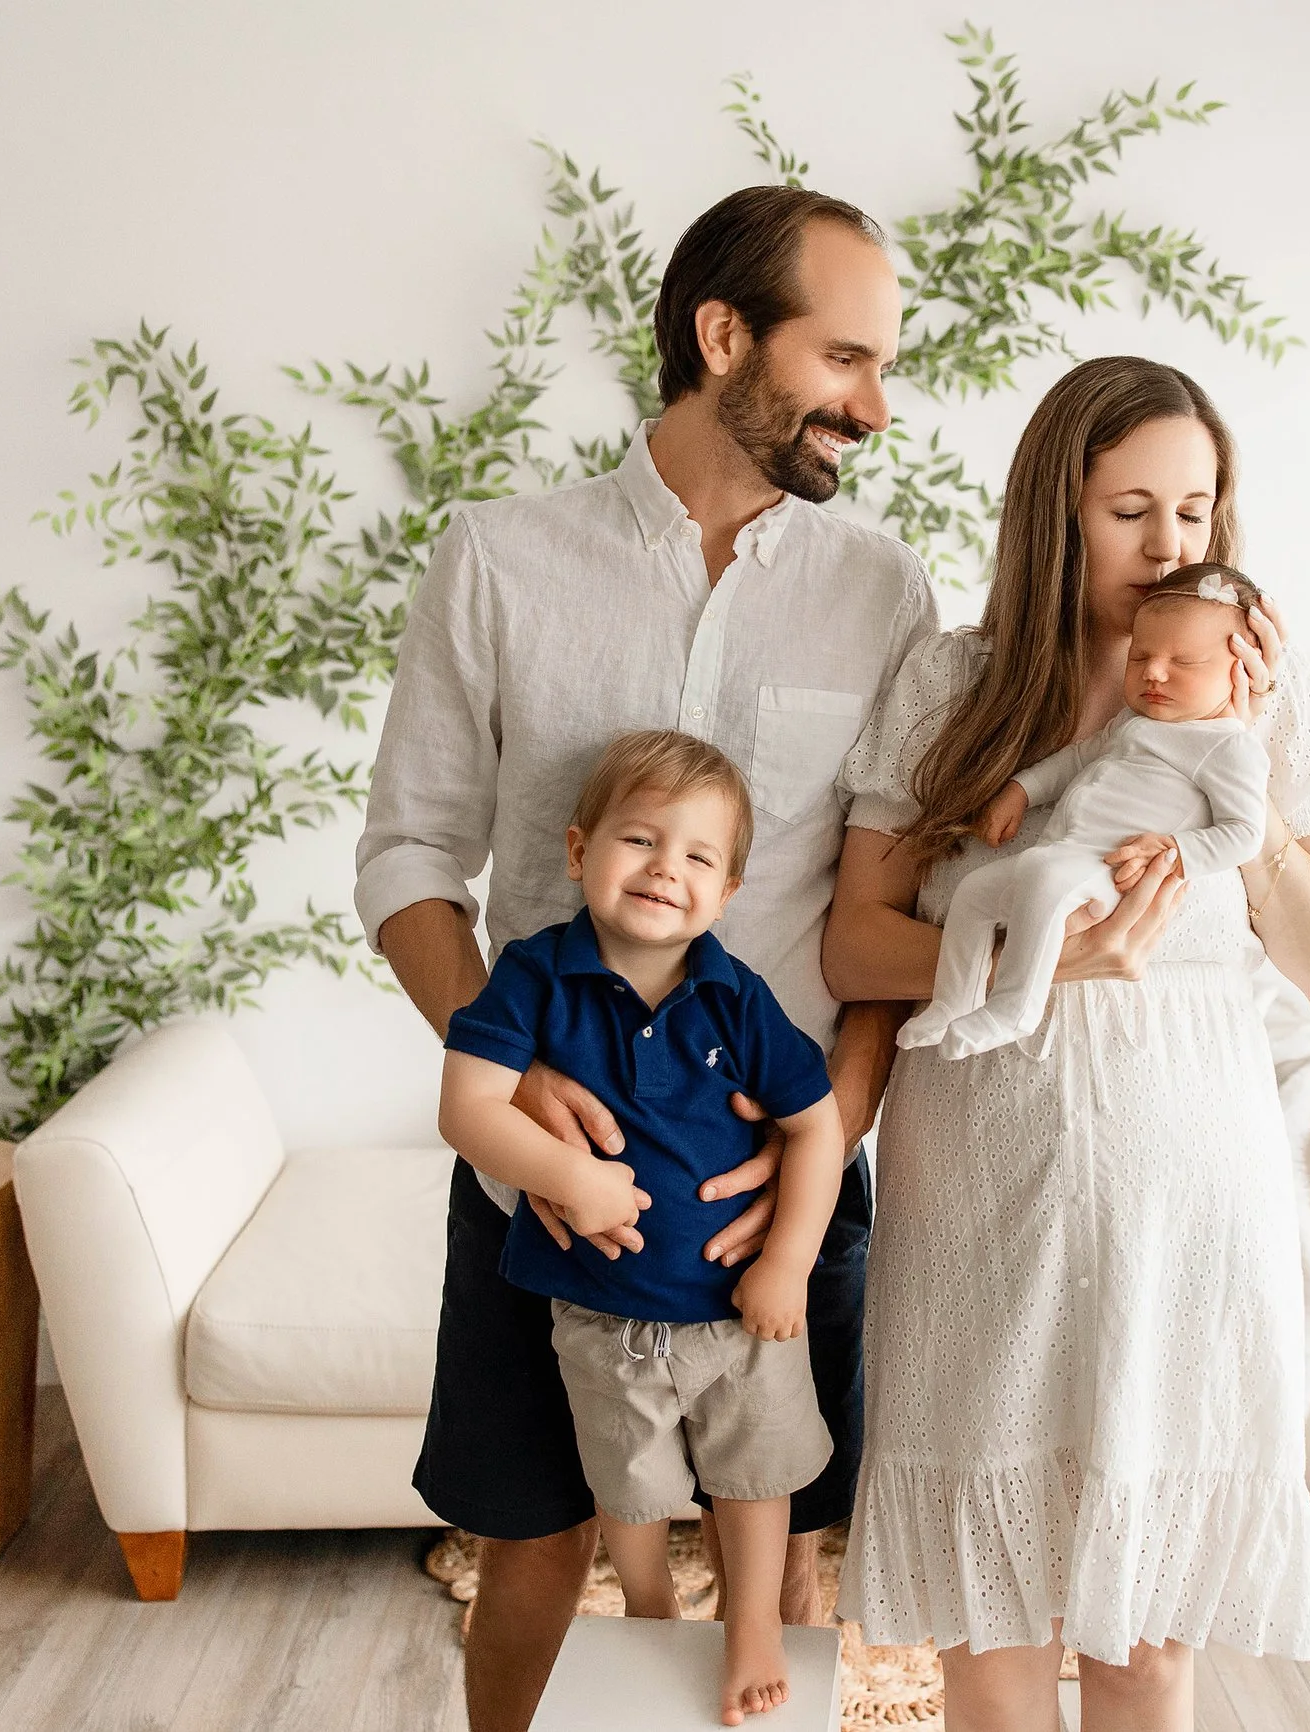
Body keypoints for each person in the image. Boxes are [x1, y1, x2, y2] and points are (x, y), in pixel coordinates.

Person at [353, 183, 936, 1732]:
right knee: (533, 1543)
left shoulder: (882, 592)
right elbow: (408, 858)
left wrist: (827, 1142)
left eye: (882, 368)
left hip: (778, 1189)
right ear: (724, 335)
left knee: (784, 1554)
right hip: (537, 1189)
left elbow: (886, 914)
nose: (875, 409)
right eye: (846, 360)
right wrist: (508, 1079)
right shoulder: (499, 559)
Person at [824, 356, 1310, 1732]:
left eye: (1196, 511)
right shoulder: (955, 685)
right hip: (981, 1196)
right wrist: (1044, 959)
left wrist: (1244, 770)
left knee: (1147, 1644)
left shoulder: (1275, 697)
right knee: (991, 1630)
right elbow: (854, 946)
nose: (1170, 547)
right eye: (1131, 511)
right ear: (1054, 514)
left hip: (1187, 1203)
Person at [438, 731, 849, 1725]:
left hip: (739, 1313)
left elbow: (817, 1126)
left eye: (698, 856)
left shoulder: (739, 997)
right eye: (639, 840)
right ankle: (650, 1600)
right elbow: (468, 1107)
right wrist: (571, 1178)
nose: (667, 868)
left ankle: (752, 1622)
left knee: (756, 1473)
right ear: (578, 851)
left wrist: (788, 1262)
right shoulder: (534, 976)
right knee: (624, 1480)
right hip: (601, 1313)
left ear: (729, 889)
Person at [898, 564, 1275, 1059]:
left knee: (1041, 874)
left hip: (1109, 870)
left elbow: (1244, 832)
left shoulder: (1227, 746)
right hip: (1066, 855)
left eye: (1184, 661)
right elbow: (1077, 759)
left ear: (1240, 668)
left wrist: (1176, 851)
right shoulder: (1133, 722)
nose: (1154, 672)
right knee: (975, 894)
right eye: (1140, 656)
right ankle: (951, 1002)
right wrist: (1020, 790)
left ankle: (1014, 1008)